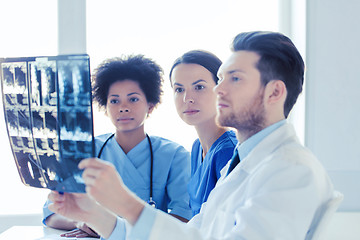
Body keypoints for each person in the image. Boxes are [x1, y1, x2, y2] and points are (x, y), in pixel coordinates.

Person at [48, 31, 336, 240]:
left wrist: (126, 204)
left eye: (234, 79)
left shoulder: (292, 171)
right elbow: (192, 234)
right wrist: (92, 214)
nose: (219, 89)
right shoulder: (240, 165)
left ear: (274, 92)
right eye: (221, 78)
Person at [43, 55, 192, 238]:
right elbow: (51, 212)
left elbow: (184, 218)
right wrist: (82, 221)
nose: (123, 107)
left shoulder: (174, 155)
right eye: (114, 101)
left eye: (133, 99)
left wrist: (119, 228)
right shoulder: (84, 151)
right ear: (105, 107)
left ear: (150, 106)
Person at [169, 50, 237, 216]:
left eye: (199, 87)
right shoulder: (198, 147)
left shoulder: (228, 152)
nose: (187, 98)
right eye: (179, 89)